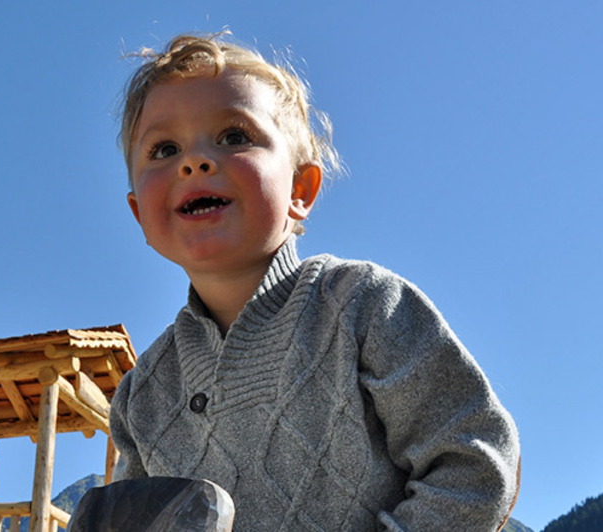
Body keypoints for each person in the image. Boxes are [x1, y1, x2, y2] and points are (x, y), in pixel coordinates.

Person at [108, 33, 520, 531]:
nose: (194, 161)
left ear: (300, 189)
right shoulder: (140, 395)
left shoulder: (364, 306)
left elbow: (474, 460)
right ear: (139, 214)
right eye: (164, 148)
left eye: (234, 136)